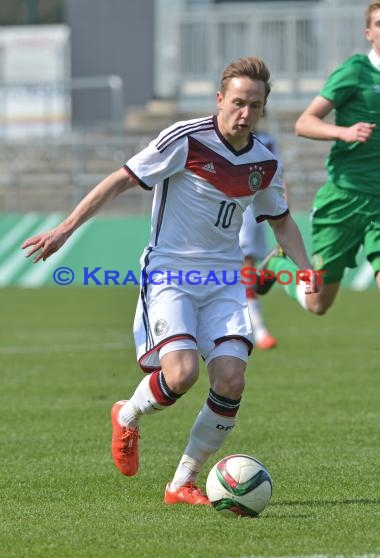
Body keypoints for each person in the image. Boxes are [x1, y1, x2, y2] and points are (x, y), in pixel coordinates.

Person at [22, 56, 318, 506]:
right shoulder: (185, 139)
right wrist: (65, 228)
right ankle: (128, 415)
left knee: (231, 380)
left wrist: (305, 266)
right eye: (237, 102)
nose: (244, 113)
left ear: (262, 108)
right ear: (219, 99)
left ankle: (182, 482)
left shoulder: (264, 160)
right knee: (180, 375)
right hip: (171, 274)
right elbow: (118, 181)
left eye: (254, 106)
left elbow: (280, 221)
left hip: (223, 281)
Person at [256, 2, 380, 313]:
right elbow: (304, 123)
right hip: (344, 200)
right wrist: (345, 132)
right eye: (379, 24)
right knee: (317, 303)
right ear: (369, 33)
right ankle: (280, 264)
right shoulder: (355, 72)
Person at [239, 123, 284, 350]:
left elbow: (278, 177)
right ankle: (257, 330)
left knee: (245, 265)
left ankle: (256, 329)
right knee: (238, 270)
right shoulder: (219, 138)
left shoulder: (266, 141)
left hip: (252, 210)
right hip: (224, 207)